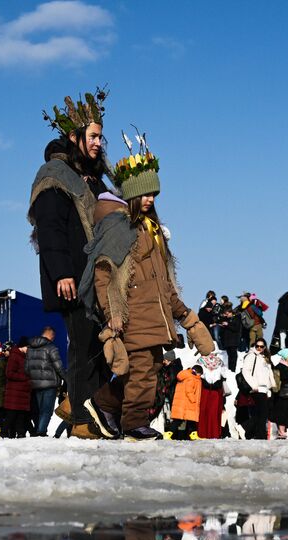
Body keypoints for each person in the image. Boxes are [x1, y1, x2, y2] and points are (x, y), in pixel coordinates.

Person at [81, 135, 215, 441]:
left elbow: (163, 283)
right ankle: (134, 424)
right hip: (134, 317)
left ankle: (103, 405)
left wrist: (183, 314)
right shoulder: (121, 228)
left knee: (148, 373)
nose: (150, 199)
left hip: (155, 316)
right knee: (142, 374)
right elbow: (104, 274)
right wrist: (113, 315)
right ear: (131, 195)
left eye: (153, 193)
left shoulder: (150, 231)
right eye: (144, 194)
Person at [29, 87, 121, 440]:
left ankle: (85, 408)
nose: (99, 142)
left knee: (100, 346)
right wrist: (61, 272)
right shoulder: (55, 175)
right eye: (93, 136)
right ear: (75, 137)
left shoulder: (93, 178)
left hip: (98, 276)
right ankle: (82, 415)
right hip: (72, 275)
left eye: (101, 136)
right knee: (82, 344)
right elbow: (49, 226)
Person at [26, 325, 65, 436]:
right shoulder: (51, 348)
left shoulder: (30, 348)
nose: (54, 338)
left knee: (38, 410)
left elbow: (26, 368)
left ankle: (40, 429)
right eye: (53, 336)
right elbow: (59, 367)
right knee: (46, 410)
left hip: (35, 384)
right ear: (50, 335)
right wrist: (67, 379)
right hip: (50, 384)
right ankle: (41, 431)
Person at [236, 338, 275, 439]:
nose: (259, 348)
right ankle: (248, 428)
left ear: (265, 347)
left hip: (265, 388)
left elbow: (269, 373)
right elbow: (245, 371)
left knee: (261, 413)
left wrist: (272, 386)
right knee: (263, 412)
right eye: (257, 346)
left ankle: (257, 434)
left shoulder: (265, 357)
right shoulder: (251, 356)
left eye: (261, 346)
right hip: (256, 388)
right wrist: (254, 385)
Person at [3, 337, 33, 438]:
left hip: (21, 392)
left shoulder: (23, 356)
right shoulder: (14, 356)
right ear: (22, 346)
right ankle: (3, 433)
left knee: (20, 415)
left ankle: (20, 434)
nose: (29, 349)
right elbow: (9, 373)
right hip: (15, 392)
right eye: (28, 347)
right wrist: (25, 378)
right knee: (11, 415)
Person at [169, 364, 203, 439]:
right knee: (178, 420)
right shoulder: (192, 378)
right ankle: (168, 434)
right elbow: (189, 390)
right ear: (196, 372)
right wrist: (193, 399)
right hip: (187, 403)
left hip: (183, 402)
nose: (200, 376)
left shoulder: (186, 376)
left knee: (191, 420)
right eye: (200, 374)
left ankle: (193, 434)